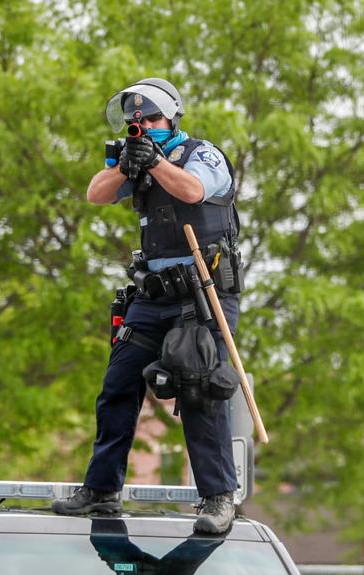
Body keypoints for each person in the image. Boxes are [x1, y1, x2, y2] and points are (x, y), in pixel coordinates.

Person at [53, 77, 242, 535]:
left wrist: (156, 161)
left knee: (199, 388)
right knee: (118, 384)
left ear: (172, 117)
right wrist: (126, 165)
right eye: (137, 121)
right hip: (153, 295)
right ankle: (101, 490)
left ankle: (218, 497)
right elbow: (96, 192)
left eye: (153, 118)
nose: (145, 126)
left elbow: (194, 191)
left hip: (202, 293)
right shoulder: (132, 155)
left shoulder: (201, 153)